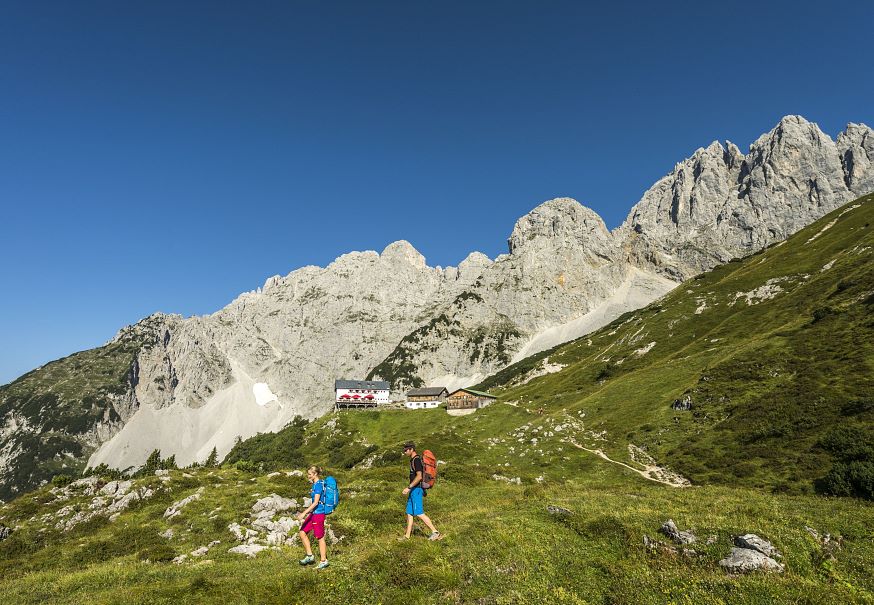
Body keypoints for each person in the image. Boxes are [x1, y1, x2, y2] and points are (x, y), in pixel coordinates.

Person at [401, 441, 441, 540]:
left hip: (416, 490)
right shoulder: (413, 460)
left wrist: (409, 488)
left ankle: (435, 532)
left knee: (419, 513)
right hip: (413, 490)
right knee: (409, 513)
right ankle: (407, 536)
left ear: (411, 449)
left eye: (406, 450)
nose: (405, 452)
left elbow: (419, 477)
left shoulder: (416, 460)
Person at [296, 465, 329, 569]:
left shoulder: (318, 485)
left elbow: (315, 502)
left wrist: (303, 513)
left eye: (310, 474)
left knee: (320, 537)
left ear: (315, 474)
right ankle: (310, 556)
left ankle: (324, 561)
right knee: (302, 532)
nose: (308, 476)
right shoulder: (316, 484)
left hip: (318, 514)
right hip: (314, 513)